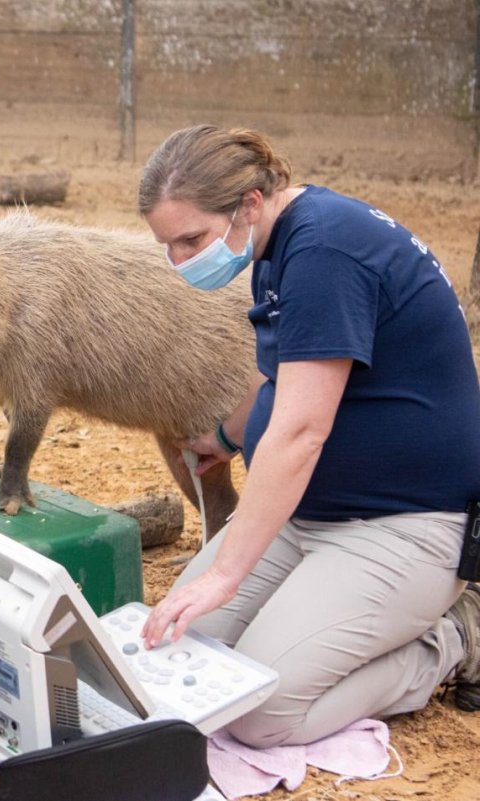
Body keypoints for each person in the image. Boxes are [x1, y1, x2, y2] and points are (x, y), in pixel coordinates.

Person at [134, 124, 480, 748]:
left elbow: (299, 432)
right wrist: (225, 437)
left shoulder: (325, 251)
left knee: (260, 711)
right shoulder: (280, 242)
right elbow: (282, 370)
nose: (180, 261)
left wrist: (225, 574)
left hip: (403, 526)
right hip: (304, 517)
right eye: (169, 245)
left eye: (192, 239)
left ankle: (453, 639)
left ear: (249, 203)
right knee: (179, 657)